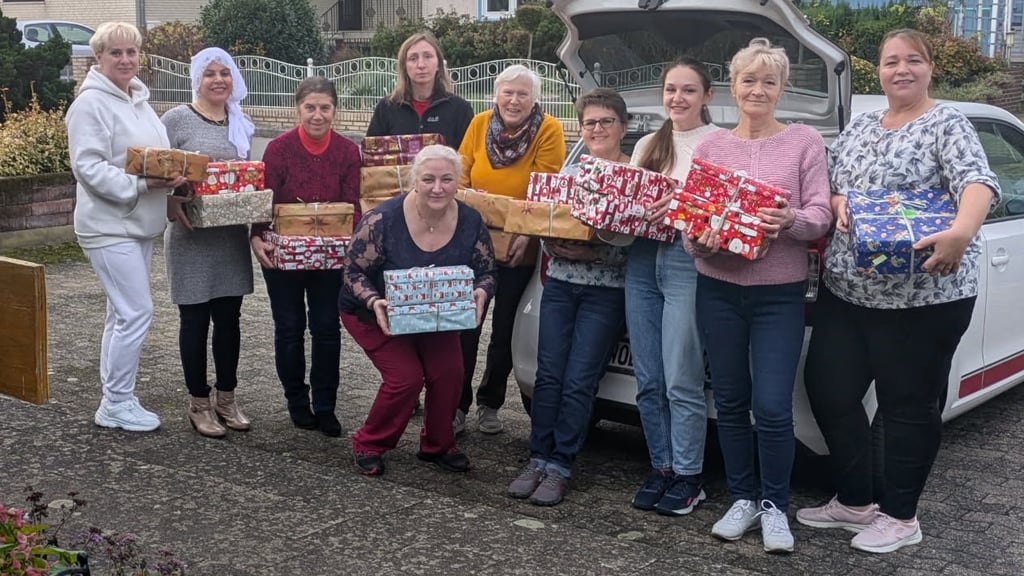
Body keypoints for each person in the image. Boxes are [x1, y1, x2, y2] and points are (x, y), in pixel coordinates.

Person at [797, 29, 999, 554]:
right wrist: (839, 203)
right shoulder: (863, 124)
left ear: (930, 68)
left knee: (907, 404)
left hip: (924, 297)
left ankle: (902, 515)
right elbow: (836, 184)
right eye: (891, 62)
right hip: (850, 290)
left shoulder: (946, 122)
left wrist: (961, 231)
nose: (901, 70)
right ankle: (855, 500)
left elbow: (979, 183)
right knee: (830, 389)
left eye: (913, 60)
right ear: (879, 71)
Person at [688, 38, 831, 553]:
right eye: (749, 80)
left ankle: (775, 506)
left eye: (768, 81)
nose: (758, 90)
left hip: (778, 294)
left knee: (772, 406)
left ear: (781, 89)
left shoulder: (803, 142)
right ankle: (742, 497)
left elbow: (821, 213)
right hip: (718, 288)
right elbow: (692, 226)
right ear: (733, 86)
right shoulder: (710, 148)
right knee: (728, 401)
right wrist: (697, 237)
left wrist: (790, 220)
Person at [340, 145, 497, 476]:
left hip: (433, 316)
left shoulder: (470, 220)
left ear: (458, 182)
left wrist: (482, 291)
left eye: (446, 179)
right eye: (428, 179)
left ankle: (438, 445)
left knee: (449, 375)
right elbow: (351, 271)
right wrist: (374, 300)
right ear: (414, 180)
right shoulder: (382, 219)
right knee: (406, 378)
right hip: (375, 314)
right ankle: (370, 443)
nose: (437, 188)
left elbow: (486, 271)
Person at [506, 88, 630, 506]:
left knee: (580, 380)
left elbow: (634, 243)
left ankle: (560, 464)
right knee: (549, 375)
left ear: (622, 128)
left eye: (606, 121)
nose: (597, 129)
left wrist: (594, 249)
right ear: (582, 128)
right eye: (590, 122)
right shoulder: (568, 175)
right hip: (559, 284)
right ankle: (537, 458)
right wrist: (552, 243)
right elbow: (544, 224)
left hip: (605, 291)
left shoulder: (633, 177)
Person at [66, 21, 187, 432]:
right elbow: (88, 168)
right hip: (108, 225)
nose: (125, 59)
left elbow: (151, 156)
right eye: (115, 52)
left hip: (138, 223)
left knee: (121, 313)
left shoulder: (137, 99)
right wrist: (142, 184)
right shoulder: (89, 104)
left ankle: (113, 398)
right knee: (136, 312)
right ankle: (117, 401)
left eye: (131, 52)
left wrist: (169, 187)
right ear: (98, 58)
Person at [625, 56, 719, 517]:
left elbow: (724, 214)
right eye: (670, 89)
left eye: (688, 90)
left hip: (688, 261)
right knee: (649, 378)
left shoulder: (719, 143)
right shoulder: (647, 142)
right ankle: (661, 467)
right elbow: (628, 205)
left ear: (707, 97)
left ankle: (688, 476)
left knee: (681, 377)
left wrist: (681, 208)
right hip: (641, 257)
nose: (677, 98)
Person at [457, 64, 567, 435]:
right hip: (473, 241)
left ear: (534, 98)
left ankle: (490, 402)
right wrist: (469, 198)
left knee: (504, 328)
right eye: (508, 92)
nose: (514, 100)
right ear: (495, 95)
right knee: (465, 326)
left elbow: (544, 188)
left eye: (522, 94)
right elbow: (461, 172)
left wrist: (529, 232)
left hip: (519, 245)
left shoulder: (547, 129)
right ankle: (456, 405)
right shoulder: (479, 123)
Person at [250, 77, 361, 438]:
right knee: (290, 327)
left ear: (335, 110)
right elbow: (263, 199)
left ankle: (325, 405)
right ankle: (297, 402)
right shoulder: (279, 149)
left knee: (327, 328)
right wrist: (255, 236)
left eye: (325, 108)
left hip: (330, 256)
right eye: (310, 107)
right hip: (284, 254)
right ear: (298, 109)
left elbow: (353, 207)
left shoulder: (347, 152)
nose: (317, 115)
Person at [161, 47, 256, 438]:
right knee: (195, 321)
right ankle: (198, 402)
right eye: (209, 73)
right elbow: (156, 171)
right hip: (191, 238)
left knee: (230, 321)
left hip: (230, 238)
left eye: (225, 73)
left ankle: (227, 399)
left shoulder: (241, 122)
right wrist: (170, 200)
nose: (218, 80)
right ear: (196, 79)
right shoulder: (175, 120)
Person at [366, 31, 475, 150]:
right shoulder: (386, 107)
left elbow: (467, 159)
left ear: (438, 64)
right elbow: (372, 154)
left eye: (428, 56)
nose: (421, 65)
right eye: (413, 58)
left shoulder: (460, 109)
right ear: (404, 66)